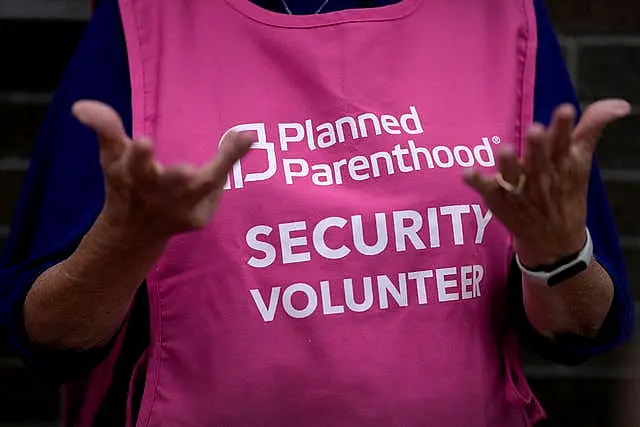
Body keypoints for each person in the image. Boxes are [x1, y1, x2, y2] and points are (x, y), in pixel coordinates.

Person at [0, 0, 634, 425]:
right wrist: (121, 248)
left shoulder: (497, 17)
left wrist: (556, 255)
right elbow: (48, 338)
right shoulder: (147, 20)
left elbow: (582, 330)